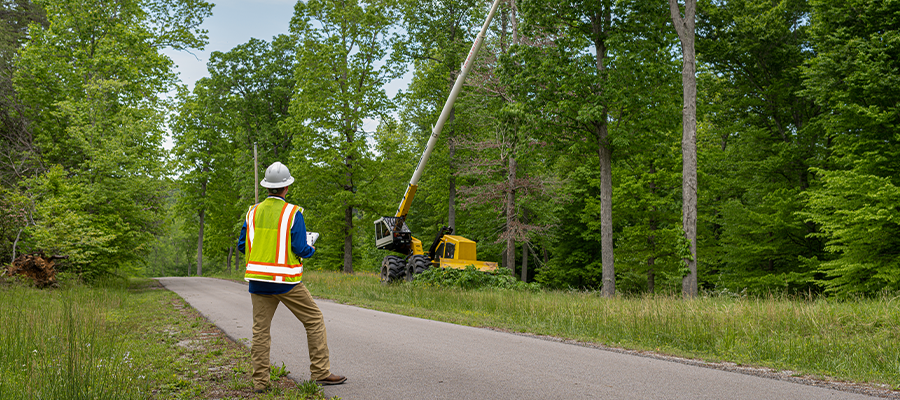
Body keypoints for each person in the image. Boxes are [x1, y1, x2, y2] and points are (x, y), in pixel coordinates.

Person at [237, 161, 346, 393]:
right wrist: (311, 249)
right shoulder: (292, 213)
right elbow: (299, 247)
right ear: (286, 188)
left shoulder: (252, 212)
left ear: (267, 187)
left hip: (258, 282)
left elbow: (241, 245)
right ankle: (320, 372)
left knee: (260, 332)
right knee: (314, 320)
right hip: (287, 283)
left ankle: (260, 383)